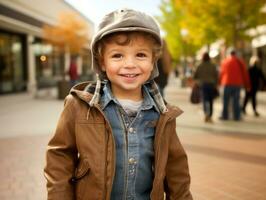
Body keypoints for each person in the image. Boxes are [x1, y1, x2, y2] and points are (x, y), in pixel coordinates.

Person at [44, 8, 192, 200]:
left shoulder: (162, 114)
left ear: (153, 61)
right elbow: (59, 157)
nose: (129, 64)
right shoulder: (78, 106)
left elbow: (176, 169)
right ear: (102, 62)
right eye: (117, 56)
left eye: (140, 55)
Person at [219, 48, 250, 121]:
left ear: (229, 54)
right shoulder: (240, 62)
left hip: (227, 83)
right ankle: (237, 117)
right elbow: (245, 74)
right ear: (235, 54)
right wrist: (247, 85)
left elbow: (221, 74)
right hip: (237, 84)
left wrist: (219, 83)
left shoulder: (225, 61)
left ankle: (224, 116)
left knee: (225, 101)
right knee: (236, 101)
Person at [194, 52, 218, 123]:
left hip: (203, 85)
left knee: (204, 100)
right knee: (211, 101)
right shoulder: (213, 65)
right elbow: (216, 75)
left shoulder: (200, 65)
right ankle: (210, 115)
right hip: (211, 85)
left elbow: (195, 76)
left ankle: (206, 114)